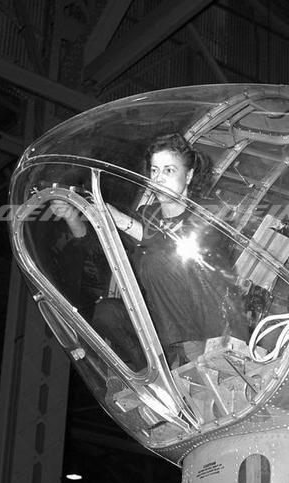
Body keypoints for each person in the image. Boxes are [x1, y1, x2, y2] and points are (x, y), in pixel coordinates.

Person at [52, 132, 247, 368]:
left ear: (189, 175)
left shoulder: (209, 213)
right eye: (154, 171)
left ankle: (183, 360)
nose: (158, 178)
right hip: (161, 330)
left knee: (157, 259)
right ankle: (152, 371)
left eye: (169, 170)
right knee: (107, 313)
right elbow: (99, 250)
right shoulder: (148, 215)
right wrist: (72, 216)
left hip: (206, 328)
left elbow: (174, 249)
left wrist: (119, 219)